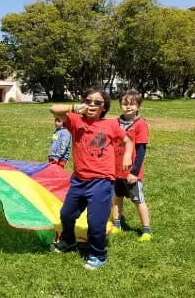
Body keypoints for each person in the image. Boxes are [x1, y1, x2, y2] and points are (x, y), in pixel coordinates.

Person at [49, 86, 134, 270]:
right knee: (66, 214)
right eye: (88, 101)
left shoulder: (110, 125)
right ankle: (69, 240)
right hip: (79, 181)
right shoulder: (75, 121)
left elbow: (128, 141)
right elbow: (53, 109)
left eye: (97, 102)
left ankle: (98, 254)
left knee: (95, 223)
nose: (92, 105)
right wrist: (74, 108)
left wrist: (127, 156)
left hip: (101, 181)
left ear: (104, 107)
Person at [111, 90, 152, 241]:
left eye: (132, 104)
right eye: (125, 103)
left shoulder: (141, 124)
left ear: (138, 106)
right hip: (115, 171)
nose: (128, 107)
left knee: (138, 200)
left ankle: (146, 230)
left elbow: (141, 151)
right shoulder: (115, 123)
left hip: (131, 173)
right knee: (116, 198)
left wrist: (134, 172)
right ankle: (116, 224)